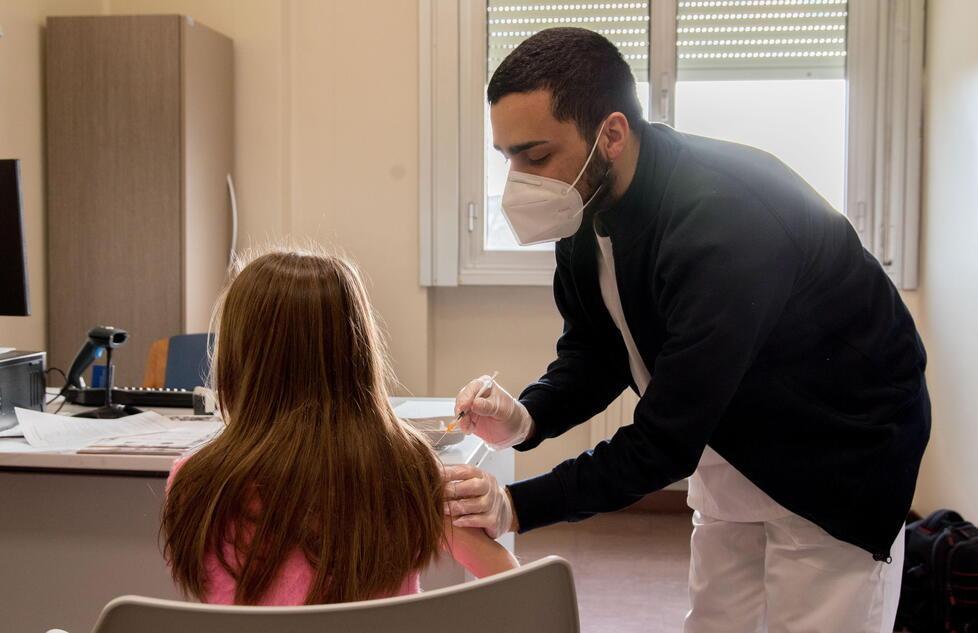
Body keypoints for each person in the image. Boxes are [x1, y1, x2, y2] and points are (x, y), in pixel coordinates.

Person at [444, 28, 930, 633]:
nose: (520, 180)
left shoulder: (724, 220)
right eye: (507, 156)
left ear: (612, 135)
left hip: (837, 450)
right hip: (734, 441)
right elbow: (598, 348)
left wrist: (516, 505)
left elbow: (664, 442)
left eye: (535, 155)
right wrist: (530, 416)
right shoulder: (582, 204)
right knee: (717, 622)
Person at [162, 248, 517, 606]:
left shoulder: (195, 484)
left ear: (238, 360)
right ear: (358, 357)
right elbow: (523, 591)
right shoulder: (408, 472)